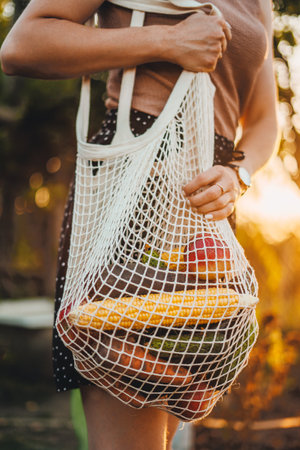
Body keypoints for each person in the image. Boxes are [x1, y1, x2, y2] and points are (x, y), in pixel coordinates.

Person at [0, 1, 278, 449]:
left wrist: (236, 175)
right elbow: (23, 45)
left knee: (164, 434)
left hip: (209, 208)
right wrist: (168, 41)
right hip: (136, 188)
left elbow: (264, 120)